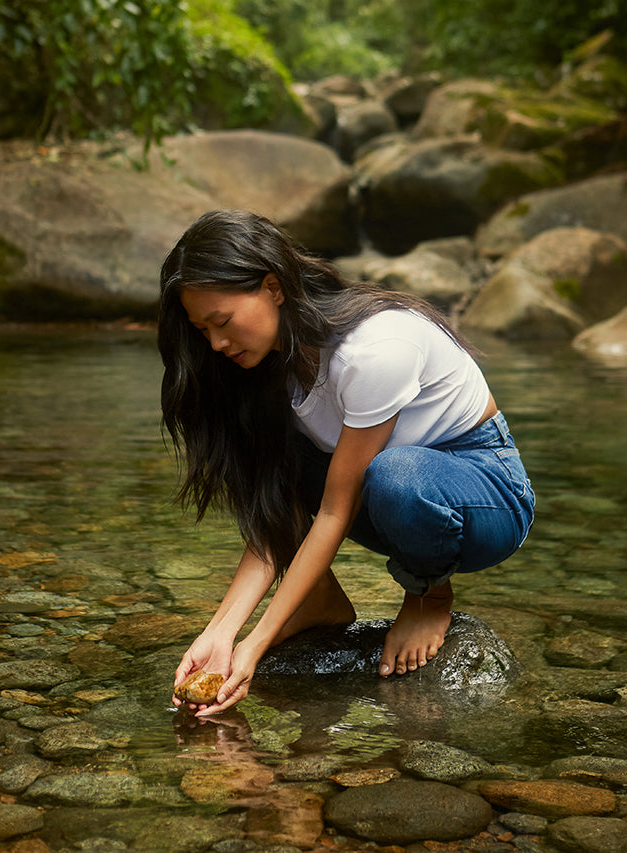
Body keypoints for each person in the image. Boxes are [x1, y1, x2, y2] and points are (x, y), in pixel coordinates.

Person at [158, 209, 535, 717]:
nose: (216, 344)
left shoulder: (372, 350)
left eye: (222, 322)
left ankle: (430, 595)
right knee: (274, 470)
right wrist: (220, 634)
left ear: (273, 287)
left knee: (396, 476)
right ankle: (319, 601)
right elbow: (277, 513)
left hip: (483, 490)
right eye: (203, 330)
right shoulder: (271, 365)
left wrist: (255, 647)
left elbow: (336, 510)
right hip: (385, 492)